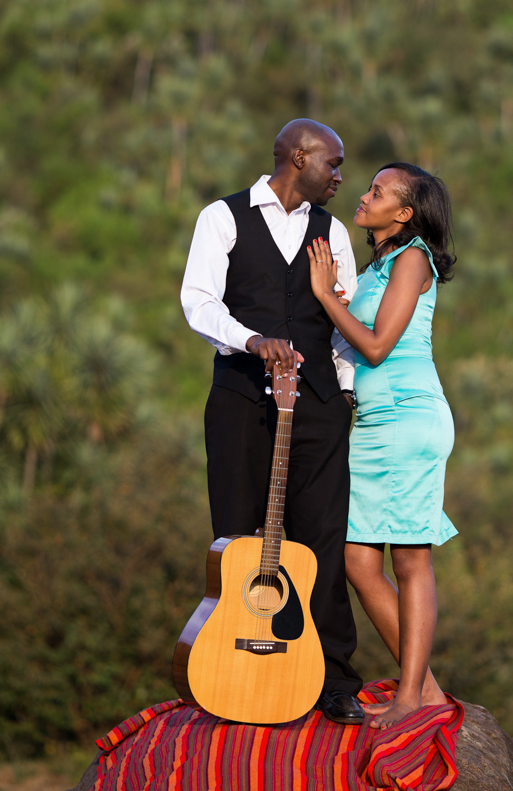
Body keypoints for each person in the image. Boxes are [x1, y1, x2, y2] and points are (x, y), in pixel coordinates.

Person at [180, 119, 365, 725]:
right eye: (332, 164)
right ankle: (238, 668)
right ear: (299, 156)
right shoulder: (223, 216)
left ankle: (333, 678)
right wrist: (253, 339)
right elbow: (199, 302)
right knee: (237, 536)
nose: (340, 177)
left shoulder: (332, 230)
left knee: (322, 540)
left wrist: (342, 396)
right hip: (240, 398)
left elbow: (342, 319)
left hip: (316, 405)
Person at [308, 162, 457, 728]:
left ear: (405, 214)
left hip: (404, 419)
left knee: (410, 558)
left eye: (377, 191)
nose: (363, 196)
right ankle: (427, 689)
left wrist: (325, 296)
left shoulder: (412, 256)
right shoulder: (379, 268)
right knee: (357, 561)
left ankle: (413, 697)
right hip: (373, 425)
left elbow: (374, 347)